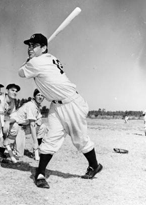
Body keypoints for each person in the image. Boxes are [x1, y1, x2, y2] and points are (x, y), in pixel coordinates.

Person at [19, 33, 103, 189]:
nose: (30, 48)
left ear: (43, 47)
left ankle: (94, 165)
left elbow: (21, 73)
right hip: (56, 106)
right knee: (50, 138)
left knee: (80, 140)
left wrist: (28, 61)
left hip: (71, 103)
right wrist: (32, 58)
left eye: (34, 45)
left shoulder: (36, 62)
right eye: (29, 46)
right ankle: (40, 173)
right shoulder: (48, 58)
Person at [4, 89, 48, 160]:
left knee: (43, 127)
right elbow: (32, 125)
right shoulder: (31, 105)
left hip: (24, 127)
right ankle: (10, 148)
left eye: (42, 96)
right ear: (34, 96)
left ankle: (36, 152)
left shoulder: (37, 106)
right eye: (38, 95)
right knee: (19, 154)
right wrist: (35, 142)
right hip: (16, 126)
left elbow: (38, 122)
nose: (40, 97)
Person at [0, 83, 21, 160]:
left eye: (16, 91)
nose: (15, 92)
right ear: (7, 91)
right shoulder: (1, 99)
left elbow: (14, 116)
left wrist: (8, 122)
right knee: (1, 130)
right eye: (12, 90)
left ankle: (3, 149)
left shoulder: (13, 101)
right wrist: (5, 123)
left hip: (4, 121)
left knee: (15, 126)